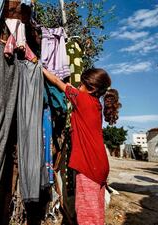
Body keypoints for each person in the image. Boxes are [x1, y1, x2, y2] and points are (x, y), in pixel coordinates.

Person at [42, 68, 121, 225]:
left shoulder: (82, 99)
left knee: (86, 215)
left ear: (91, 88)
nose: (77, 87)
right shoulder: (96, 105)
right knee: (95, 211)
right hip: (100, 165)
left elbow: (58, 82)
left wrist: (39, 65)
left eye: (81, 84)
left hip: (88, 166)